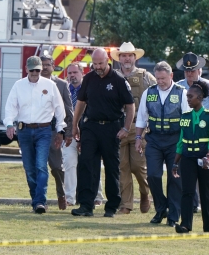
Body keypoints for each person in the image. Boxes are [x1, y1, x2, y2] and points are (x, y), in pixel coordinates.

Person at [70, 48, 135, 218]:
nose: (97, 66)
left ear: (108, 61)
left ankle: (111, 206)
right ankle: (86, 205)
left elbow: (130, 106)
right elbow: (81, 103)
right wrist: (75, 125)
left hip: (112, 127)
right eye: (95, 63)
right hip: (90, 127)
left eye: (100, 63)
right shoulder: (89, 78)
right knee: (86, 164)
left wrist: (126, 128)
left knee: (112, 167)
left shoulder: (119, 80)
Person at [4, 56, 66, 214]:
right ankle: (35, 199)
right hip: (24, 130)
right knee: (29, 168)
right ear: (26, 69)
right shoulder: (19, 86)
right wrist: (9, 124)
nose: (35, 73)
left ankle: (40, 201)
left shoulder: (50, 85)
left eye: (37, 70)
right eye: (32, 70)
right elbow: (11, 106)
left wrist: (60, 129)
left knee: (40, 166)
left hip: (44, 130)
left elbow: (59, 109)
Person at [135, 61, 189, 227]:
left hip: (175, 141)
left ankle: (173, 215)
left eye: (163, 78)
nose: (160, 81)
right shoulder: (149, 93)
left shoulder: (182, 93)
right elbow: (142, 118)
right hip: (154, 140)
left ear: (171, 76)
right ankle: (161, 208)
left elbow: (187, 118)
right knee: (152, 175)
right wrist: (138, 138)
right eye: (157, 78)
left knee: (175, 179)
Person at [176, 53, 209, 213]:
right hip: (187, 136)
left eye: (193, 70)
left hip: (206, 135)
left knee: (208, 169)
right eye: (187, 70)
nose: (190, 73)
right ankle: (193, 202)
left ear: (200, 70)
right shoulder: (178, 87)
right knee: (188, 170)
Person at [112, 42, 155, 215]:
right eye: (123, 55)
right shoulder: (113, 77)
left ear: (135, 57)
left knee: (138, 166)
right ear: (119, 58)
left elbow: (156, 98)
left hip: (140, 128)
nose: (127, 58)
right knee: (122, 167)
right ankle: (126, 204)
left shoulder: (146, 77)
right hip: (119, 128)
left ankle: (145, 194)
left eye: (130, 55)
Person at [172, 80, 209, 233]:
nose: (188, 99)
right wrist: (175, 163)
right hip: (187, 158)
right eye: (187, 96)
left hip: (205, 159)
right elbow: (181, 141)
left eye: (190, 96)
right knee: (187, 191)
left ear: (200, 98)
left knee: (206, 192)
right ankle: (186, 224)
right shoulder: (185, 117)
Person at [61, 62, 104, 207]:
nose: (72, 76)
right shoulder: (64, 89)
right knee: (69, 162)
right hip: (69, 134)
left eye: (75, 72)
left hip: (88, 132)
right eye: (70, 73)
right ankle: (70, 198)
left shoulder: (89, 88)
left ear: (82, 73)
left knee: (92, 163)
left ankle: (97, 195)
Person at [40, 55, 74, 210]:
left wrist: (69, 132)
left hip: (55, 131)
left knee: (56, 167)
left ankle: (62, 195)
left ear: (53, 66)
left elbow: (68, 109)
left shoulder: (61, 84)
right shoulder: (30, 84)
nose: (45, 67)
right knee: (38, 167)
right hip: (36, 130)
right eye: (42, 65)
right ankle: (40, 200)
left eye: (48, 65)